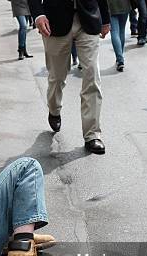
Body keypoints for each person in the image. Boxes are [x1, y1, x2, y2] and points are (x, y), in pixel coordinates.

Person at [29, 0, 111, 155]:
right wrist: (38, 14)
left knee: (92, 76)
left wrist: (105, 18)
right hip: (54, 20)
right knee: (57, 77)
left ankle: (92, 135)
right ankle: (54, 109)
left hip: (88, 18)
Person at [108, 0, 131, 71]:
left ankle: (120, 59)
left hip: (111, 6)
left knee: (114, 31)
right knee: (121, 30)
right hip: (124, 4)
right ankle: (120, 58)